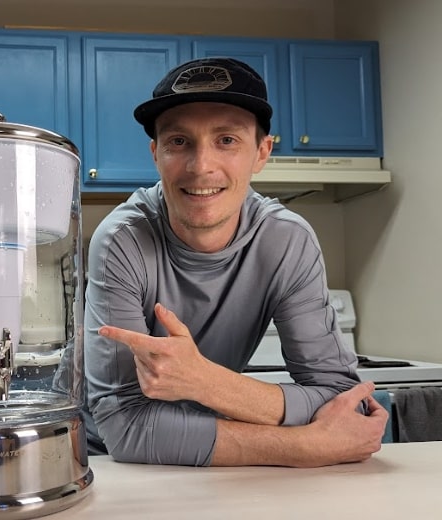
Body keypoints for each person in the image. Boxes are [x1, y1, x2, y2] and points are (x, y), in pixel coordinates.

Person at [84, 57, 388, 467]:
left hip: (213, 450)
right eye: (179, 141)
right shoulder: (122, 240)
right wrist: (306, 446)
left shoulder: (286, 241)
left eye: (226, 140)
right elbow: (127, 428)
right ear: (156, 154)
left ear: (261, 152)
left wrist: (207, 383)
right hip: (107, 464)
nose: (201, 166)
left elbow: (344, 399)